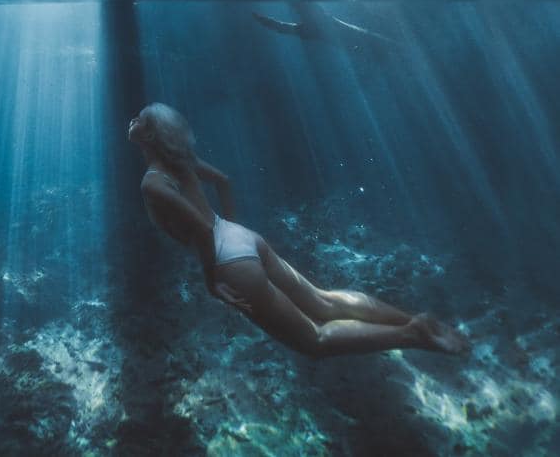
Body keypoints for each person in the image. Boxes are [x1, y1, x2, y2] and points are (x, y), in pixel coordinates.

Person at [129, 102, 469, 359]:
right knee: (323, 301)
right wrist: (231, 226)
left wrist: (211, 282)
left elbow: (202, 230)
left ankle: (412, 335)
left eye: (139, 119)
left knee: (314, 340)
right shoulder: (183, 161)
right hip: (240, 238)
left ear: (151, 134)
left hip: (227, 260)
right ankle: (414, 320)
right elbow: (224, 182)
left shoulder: (152, 183)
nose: (132, 121)